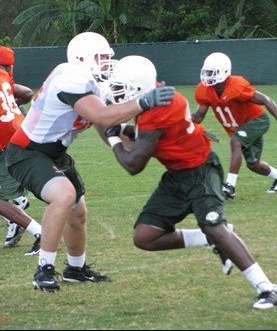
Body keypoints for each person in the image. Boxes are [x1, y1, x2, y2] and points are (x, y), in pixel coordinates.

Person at [4, 32, 175, 292]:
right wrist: (142, 103)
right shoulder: (70, 77)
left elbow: (106, 128)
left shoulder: (93, 85)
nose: (107, 63)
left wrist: (142, 140)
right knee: (63, 195)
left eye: (108, 58)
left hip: (54, 153)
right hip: (26, 151)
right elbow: (103, 116)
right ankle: (44, 270)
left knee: (77, 211)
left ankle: (76, 269)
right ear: (82, 58)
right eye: (102, 58)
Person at [104, 55, 277, 310]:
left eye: (122, 88)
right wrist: (125, 128)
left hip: (201, 170)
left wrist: (113, 137)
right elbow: (151, 135)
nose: (117, 94)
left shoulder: (157, 111)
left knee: (214, 226)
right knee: (145, 236)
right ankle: (208, 239)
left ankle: (267, 288)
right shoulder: (161, 95)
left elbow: (133, 164)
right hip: (177, 174)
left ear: (141, 86)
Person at [192, 52, 277, 201]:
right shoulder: (205, 90)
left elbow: (265, 99)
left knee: (236, 141)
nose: (208, 75)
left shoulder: (236, 85)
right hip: (240, 126)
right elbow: (198, 116)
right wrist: (182, 122)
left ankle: (230, 186)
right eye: (207, 71)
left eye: (212, 72)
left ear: (224, 72)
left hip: (257, 120)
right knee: (254, 164)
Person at [0, 46, 41, 254]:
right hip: (18, 135)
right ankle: (18, 204)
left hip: (9, 143)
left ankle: (40, 232)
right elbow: (25, 93)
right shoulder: (5, 79)